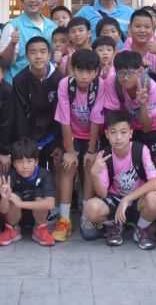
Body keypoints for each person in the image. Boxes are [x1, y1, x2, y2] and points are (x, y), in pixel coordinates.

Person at [82, 111, 156, 250]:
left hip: (137, 200)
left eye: (123, 132)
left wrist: (127, 199)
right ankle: (113, 227)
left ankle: (141, 228)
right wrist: (94, 174)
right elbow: (102, 193)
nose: (118, 137)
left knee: (155, 198)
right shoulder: (103, 154)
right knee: (90, 208)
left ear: (131, 133)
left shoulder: (141, 150)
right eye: (113, 132)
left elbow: (155, 182)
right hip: (114, 201)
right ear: (107, 134)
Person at [54, 49, 105, 242]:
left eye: (89, 71)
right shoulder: (65, 85)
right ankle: (64, 220)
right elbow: (65, 120)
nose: (84, 76)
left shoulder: (100, 85)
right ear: (72, 69)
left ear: (96, 72)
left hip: (92, 134)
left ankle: (86, 217)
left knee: (90, 165)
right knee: (68, 166)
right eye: (79, 70)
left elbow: (96, 120)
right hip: (72, 133)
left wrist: (91, 151)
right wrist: (69, 151)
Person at [93, 50, 156, 179]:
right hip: (126, 126)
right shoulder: (112, 82)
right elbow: (114, 117)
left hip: (151, 127)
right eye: (121, 73)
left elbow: (147, 128)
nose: (125, 77)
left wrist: (142, 104)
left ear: (140, 71)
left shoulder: (151, 87)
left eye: (130, 73)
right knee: (119, 158)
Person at [0, 138, 57, 247]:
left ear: (36, 162)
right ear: (14, 163)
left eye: (29, 161)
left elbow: (50, 203)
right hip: (15, 217)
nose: (25, 166)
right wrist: (5, 197)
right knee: (12, 195)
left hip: (37, 216)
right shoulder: (10, 176)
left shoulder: (44, 174)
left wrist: (21, 204)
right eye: (20, 162)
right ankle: (12, 229)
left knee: (40, 195)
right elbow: (3, 210)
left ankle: (40, 229)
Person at [10, 36, 62, 166]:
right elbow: (19, 115)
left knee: (57, 164)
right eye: (33, 52)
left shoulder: (58, 78)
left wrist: (59, 143)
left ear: (49, 55)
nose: (38, 56)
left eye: (43, 52)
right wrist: (24, 142)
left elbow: (60, 112)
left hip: (51, 133)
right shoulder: (19, 80)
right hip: (29, 133)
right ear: (27, 57)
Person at [0, 0, 58, 84]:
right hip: (16, 86)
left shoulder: (52, 26)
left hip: (45, 86)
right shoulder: (12, 26)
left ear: (44, 2)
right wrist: (12, 43)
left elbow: (55, 58)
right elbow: (2, 62)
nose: (33, 0)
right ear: (22, 2)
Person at [123, 9, 156, 83]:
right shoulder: (123, 53)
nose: (142, 30)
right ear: (129, 28)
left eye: (147, 27)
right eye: (137, 26)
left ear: (152, 29)